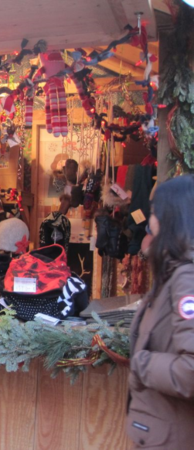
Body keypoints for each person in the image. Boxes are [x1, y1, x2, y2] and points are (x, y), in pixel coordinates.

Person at [126, 174, 194, 448]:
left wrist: (142, 364)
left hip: (170, 436)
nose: (150, 220)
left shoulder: (185, 278)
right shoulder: (174, 270)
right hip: (159, 431)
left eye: (154, 212)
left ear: (171, 217)